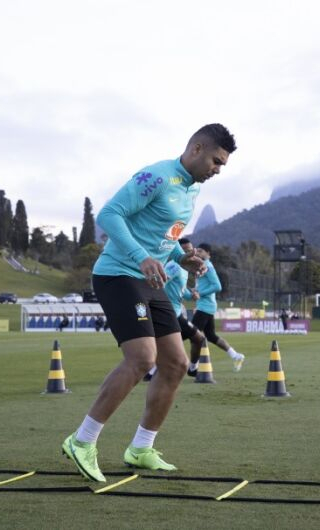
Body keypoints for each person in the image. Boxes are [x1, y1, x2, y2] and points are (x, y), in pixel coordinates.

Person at [61, 123, 237, 483]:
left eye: (222, 165)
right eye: (216, 161)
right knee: (143, 358)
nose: (218, 170)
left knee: (175, 363)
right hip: (119, 275)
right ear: (197, 148)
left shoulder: (190, 192)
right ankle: (82, 441)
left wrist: (182, 257)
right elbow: (109, 215)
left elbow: (166, 236)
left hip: (152, 281)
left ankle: (141, 448)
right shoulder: (156, 176)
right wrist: (142, 257)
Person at [145, 238, 206, 381]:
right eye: (185, 251)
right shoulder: (174, 266)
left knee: (195, 339)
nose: (189, 254)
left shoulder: (185, 270)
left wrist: (190, 295)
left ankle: (190, 369)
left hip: (177, 312)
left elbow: (179, 289)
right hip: (170, 312)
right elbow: (161, 282)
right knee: (198, 338)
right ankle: (191, 369)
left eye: (191, 250)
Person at [191, 242, 245, 371]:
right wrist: (194, 290)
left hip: (205, 306)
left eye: (201, 251)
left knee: (192, 335)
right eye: (197, 251)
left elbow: (217, 286)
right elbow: (204, 285)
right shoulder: (202, 266)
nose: (198, 253)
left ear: (208, 253)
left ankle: (192, 367)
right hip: (206, 306)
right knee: (211, 336)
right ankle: (236, 355)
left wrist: (199, 293)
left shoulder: (208, 266)